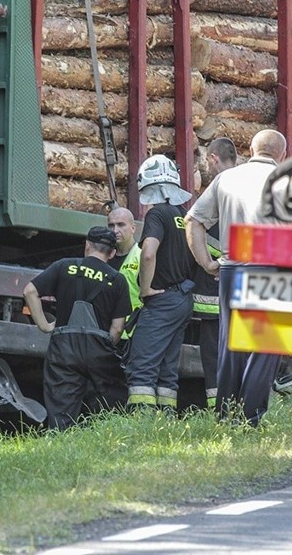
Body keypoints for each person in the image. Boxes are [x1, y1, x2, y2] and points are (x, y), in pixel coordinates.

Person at [185, 130, 288, 426]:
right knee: (265, 344)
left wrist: (206, 263)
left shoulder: (226, 178)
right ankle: (250, 416)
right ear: (282, 153)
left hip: (232, 269)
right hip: (271, 268)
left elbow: (194, 221)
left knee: (232, 343)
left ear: (250, 149)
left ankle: (226, 413)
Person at [23, 226, 131, 429]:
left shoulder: (64, 266)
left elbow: (30, 291)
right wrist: (104, 344)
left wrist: (45, 326)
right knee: (109, 403)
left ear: (87, 245)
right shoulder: (117, 280)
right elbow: (117, 328)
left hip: (64, 347)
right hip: (99, 347)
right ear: (113, 253)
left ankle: (59, 442)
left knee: (61, 407)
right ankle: (105, 439)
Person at [123, 155, 198, 412]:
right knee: (168, 366)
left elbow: (148, 252)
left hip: (162, 300)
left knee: (142, 363)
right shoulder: (184, 216)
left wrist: (145, 289)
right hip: (183, 298)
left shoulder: (157, 215)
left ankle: (142, 419)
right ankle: (166, 417)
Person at [192, 137, 238, 409]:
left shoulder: (217, 191)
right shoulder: (249, 185)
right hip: (248, 289)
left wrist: (208, 263)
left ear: (212, 158)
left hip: (214, 291)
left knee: (213, 354)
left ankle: (218, 408)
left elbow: (194, 225)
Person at [107, 206, 142, 352]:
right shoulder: (103, 256)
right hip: (106, 331)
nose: (115, 230)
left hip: (132, 334)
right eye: (111, 225)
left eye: (121, 225)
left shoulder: (142, 257)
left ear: (133, 228)